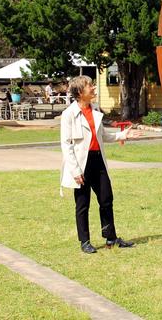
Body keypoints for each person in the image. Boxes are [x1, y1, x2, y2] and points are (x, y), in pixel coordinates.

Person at [60, 75, 143, 254]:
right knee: (82, 203)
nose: (94, 88)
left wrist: (123, 135)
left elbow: (103, 136)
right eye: (90, 85)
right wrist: (75, 171)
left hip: (98, 160)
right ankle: (85, 241)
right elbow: (66, 145)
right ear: (80, 92)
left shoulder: (95, 110)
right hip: (81, 163)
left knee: (106, 199)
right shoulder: (68, 115)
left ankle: (111, 237)